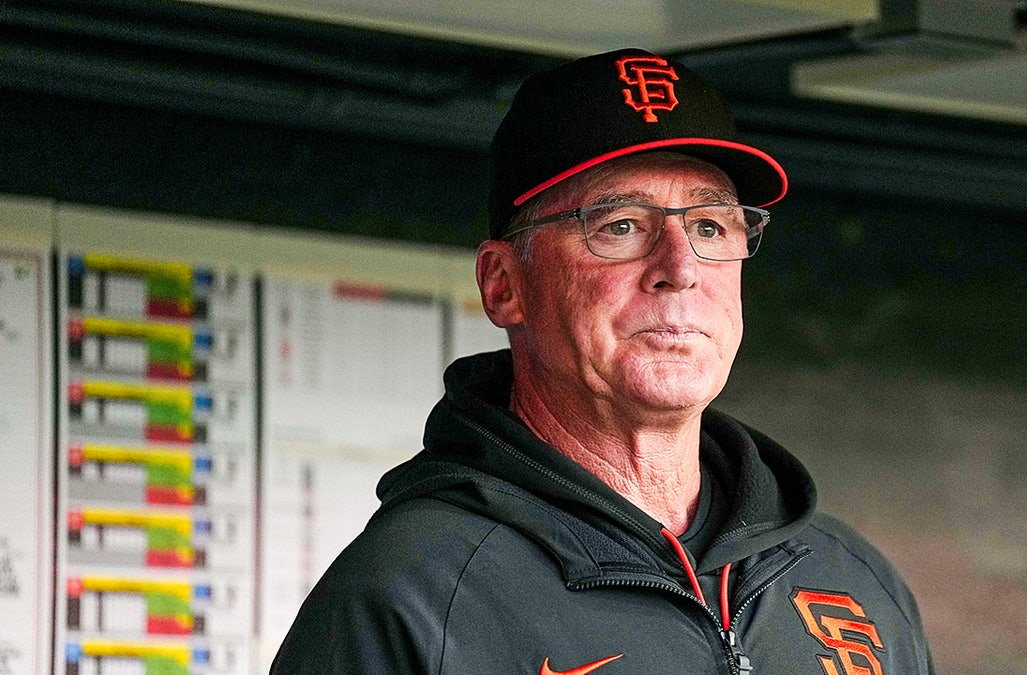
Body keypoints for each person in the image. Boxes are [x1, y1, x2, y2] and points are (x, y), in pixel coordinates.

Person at [271, 48, 934, 674]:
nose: (679, 269)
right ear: (505, 284)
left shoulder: (853, 581)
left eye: (710, 227)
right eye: (620, 225)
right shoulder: (412, 594)